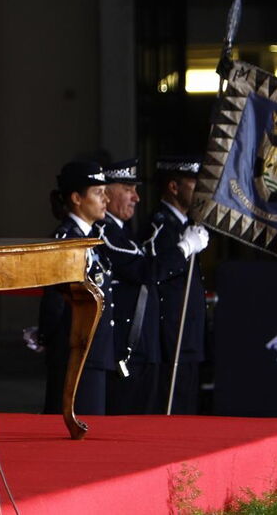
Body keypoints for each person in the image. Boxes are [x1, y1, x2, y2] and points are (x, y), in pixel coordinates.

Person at [37, 160, 116, 415]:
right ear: (76, 198)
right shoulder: (67, 240)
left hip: (93, 348)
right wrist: (47, 336)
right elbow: (55, 300)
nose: (105, 199)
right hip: (74, 351)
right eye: (97, 192)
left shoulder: (90, 238)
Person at [97, 158, 163, 414]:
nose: (136, 197)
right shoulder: (105, 232)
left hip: (141, 346)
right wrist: (182, 249)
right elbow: (141, 271)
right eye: (127, 189)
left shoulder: (125, 232)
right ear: (106, 193)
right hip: (124, 347)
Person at [148, 155, 210, 414]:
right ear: (174, 187)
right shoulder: (161, 226)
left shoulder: (185, 226)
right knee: (173, 410)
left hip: (188, 336)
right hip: (172, 337)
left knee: (187, 409)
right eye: (193, 184)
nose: (199, 191)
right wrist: (182, 248)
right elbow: (156, 273)